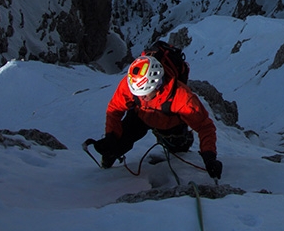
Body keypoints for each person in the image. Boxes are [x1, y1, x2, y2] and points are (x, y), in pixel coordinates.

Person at [92, 46, 223, 180]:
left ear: (157, 84)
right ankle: (108, 161)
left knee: (178, 150)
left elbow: (204, 126)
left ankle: (183, 139)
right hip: (141, 117)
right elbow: (115, 109)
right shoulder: (130, 84)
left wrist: (209, 157)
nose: (142, 98)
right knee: (115, 145)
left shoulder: (181, 96)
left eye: (146, 94)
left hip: (169, 123)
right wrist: (111, 136)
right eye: (138, 95)